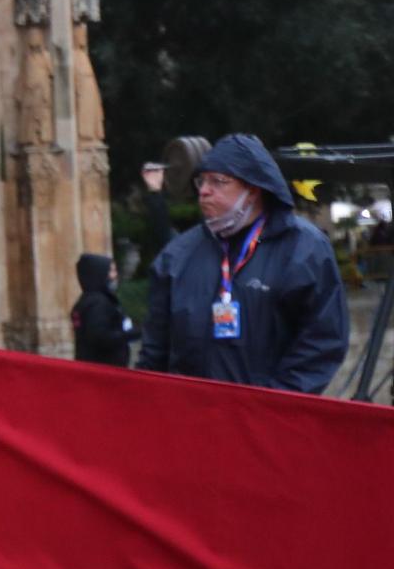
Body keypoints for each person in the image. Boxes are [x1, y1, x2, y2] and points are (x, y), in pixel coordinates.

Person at [137, 134, 348, 393]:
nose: (204, 190)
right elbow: (154, 351)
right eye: (201, 180)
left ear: (253, 190)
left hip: (269, 421)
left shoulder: (304, 249)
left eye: (219, 181)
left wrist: (273, 404)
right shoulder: (177, 256)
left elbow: (322, 342)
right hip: (191, 419)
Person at [71, 253, 138, 368]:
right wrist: (133, 333)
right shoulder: (98, 303)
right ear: (99, 273)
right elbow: (101, 338)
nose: (114, 275)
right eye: (111, 271)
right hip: (104, 371)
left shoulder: (90, 300)